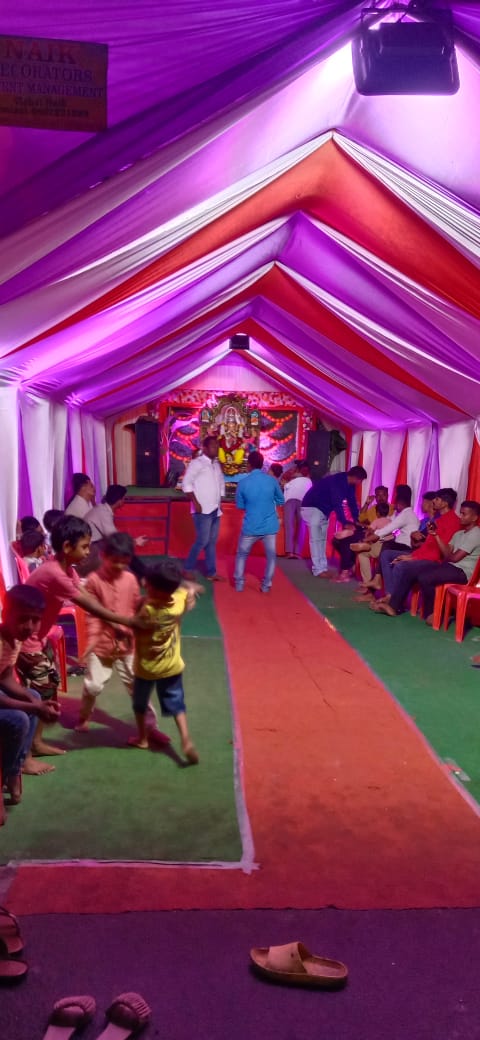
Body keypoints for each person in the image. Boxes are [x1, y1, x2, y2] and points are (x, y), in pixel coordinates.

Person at [19, 515, 155, 767]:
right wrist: (124, 622)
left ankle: (35, 745)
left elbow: (86, 597)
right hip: (26, 641)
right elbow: (87, 603)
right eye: (83, 546)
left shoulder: (65, 569)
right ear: (67, 547)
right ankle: (25, 757)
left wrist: (118, 621)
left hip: (39, 637)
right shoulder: (54, 573)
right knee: (34, 697)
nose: (87, 552)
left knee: (45, 690)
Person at [75, 532, 169, 746]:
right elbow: (93, 615)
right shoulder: (93, 581)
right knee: (94, 686)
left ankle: (149, 728)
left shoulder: (131, 579)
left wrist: (149, 603)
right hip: (102, 645)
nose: (119, 566)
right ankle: (84, 716)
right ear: (104, 556)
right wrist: (91, 641)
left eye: (124, 562)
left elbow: (136, 603)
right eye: (114, 561)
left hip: (128, 645)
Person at [130, 558, 201, 763]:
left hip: (146, 669)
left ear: (151, 587)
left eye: (148, 583)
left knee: (140, 705)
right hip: (171, 666)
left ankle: (142, 738)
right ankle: (186, 739)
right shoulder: (178, 601)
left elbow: (134, 627)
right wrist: (191, 589)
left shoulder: (146, 610)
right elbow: (188, 592)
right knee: (177, 705)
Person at [0, 586, 60, 802]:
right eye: (23, 618)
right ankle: (11, 772)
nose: (29, 627)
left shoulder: (14, 640)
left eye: (36, 620)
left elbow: (5, 677)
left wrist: (31, 700)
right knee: (18, 719)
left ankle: (20, 762)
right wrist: (33, 707)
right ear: (6, 613)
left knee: (33, 694)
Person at [373, 488, 461, 616]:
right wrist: (412, 554)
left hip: (435, 561)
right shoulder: (438, 519)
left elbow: (439, 552)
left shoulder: (452, 521)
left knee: (402, 566)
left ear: (445, 503)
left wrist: (412, 558)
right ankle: (390, 595)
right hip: (423, 555)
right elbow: (426, 546)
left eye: (436, 499)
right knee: (387, 555)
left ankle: (394, 606)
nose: (433, 502)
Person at [415, 501, 480, 623]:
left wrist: (448, 556)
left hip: (463, 572)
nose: (460, 516)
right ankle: (436, 610)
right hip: (451, 567)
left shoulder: (476, 533)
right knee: (422, 573)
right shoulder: (459, 534)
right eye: (460, 513)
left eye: (464, 514)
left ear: (474, 518)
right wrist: (435, 535)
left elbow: (454, 558)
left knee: (426, 577)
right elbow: (447, 554)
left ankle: (436, 613)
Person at [300, 466, 368, 578]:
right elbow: (337, 503)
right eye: (360, 480)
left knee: (321, 540)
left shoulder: (350, 485)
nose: (360, 483)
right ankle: (318, 569)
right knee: (316, 539)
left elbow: (352, 502)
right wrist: (344, 522)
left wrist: (356, 520)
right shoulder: (337, 481)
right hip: (312, 507)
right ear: (356, 478)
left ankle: (322, 568)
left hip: (323, 510)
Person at [234, 451, 285, 593]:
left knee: (242, 554)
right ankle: (266, 585)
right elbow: (281, 500)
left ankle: (239, 584)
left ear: (249, 465)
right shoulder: (272, 481)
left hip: (251, 525)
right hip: (269, 526)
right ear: (262, 465)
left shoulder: (243, 483)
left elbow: (240, 506)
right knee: (271, 556)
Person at [356, 486, 419, 597]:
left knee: (386, 548)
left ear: (399, 503)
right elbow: (389, 521)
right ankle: (374, 584)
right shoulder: (400, 513)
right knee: (367, 552)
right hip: (395, 543)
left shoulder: (406, 514)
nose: (394, 505)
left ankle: (379, 586)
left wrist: (367, 539)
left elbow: (387, 529)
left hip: (405, 548)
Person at [182, 436, 225, 581]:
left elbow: (220, 483)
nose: (216, 448)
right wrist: (196, 503)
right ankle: (187, 568)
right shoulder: (197, 463)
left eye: (217, 446)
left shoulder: (216, 464)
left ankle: (211, 573)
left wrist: (221, 500)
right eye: (213, 446)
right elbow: (186, 484)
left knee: (211, 542)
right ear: (205, 449)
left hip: (215, 509)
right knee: (202, 540)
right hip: (202, 510)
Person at [331, 485, 392, 580]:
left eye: (383, 495)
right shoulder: (373, 508)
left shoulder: (391, 508)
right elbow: (360, 518)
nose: (381, 498)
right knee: (336, 541)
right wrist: (367, 504)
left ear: (388, 495)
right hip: (366, 530)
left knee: (346, 542)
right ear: (375, 497)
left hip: (376, 534)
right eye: (378, 495)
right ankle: (351, 565)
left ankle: (345, 571)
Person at [282, 462, 312, 559]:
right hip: (301, 501)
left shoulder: (293, 477)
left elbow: (285, 486)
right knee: (300, 526)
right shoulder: (308, 480)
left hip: (291, 499)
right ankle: (296, 552)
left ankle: (291, 552)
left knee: (290, 526)